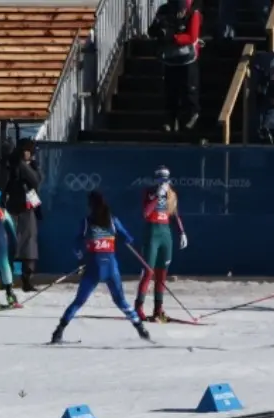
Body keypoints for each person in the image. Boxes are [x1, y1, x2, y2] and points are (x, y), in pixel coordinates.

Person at [50, 191, 149, 344]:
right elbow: (128, 238)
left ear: (90, 205)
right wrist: (123, 238)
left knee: (79, 301)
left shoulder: (86, 222)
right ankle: (141, 329)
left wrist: (81, 258)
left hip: (94, 266)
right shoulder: (113, 220)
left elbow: (76, 245)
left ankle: (58, 332)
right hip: (111, 266)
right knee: (121, 301)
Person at [134, 166, 187, 322]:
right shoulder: (149, 192)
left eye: (165, 180)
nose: (163, 183)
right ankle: (138, 307)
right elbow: (146, 213)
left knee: (162, 273)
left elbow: (175, 214)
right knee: (149, 271)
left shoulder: (172, 194)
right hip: (153, 232)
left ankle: (158, 308)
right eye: (160, 180)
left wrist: (182, 232)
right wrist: (157, 196)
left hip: (166, 233)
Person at [149, 0, 203, 132]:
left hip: (187, 58)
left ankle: (191, 117)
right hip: (169, 58)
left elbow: (192, 37)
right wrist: (160, 32)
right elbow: (153, 30)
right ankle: (170, 119)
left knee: (189, 91)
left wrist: (173, 37)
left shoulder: (193, 13)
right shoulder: (164, 11)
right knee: (170, 91)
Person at [0, 138, 41, 292]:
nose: (26, 154)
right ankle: (6, 280)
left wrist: (22, 165)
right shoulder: (9, 165)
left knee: (29, 246)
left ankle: (27, 280)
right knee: (8, 244)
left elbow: (36, 181)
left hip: (28, 208)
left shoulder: (31, 166)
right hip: (11, 208)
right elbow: (2, 184)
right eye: (24, 150)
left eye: (29, 151)